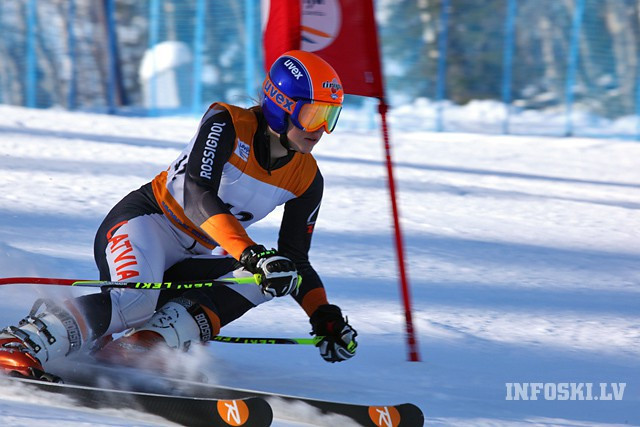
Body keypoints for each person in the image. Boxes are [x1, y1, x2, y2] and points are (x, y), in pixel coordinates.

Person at [0, 50, 357, 380]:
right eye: (314, 115)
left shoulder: (308, 178)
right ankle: (23, 340)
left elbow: (295, 257)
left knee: (273, 274)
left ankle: (144, 344)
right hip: (146, 224)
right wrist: (249, 252)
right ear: (281, 105)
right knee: (137, 300)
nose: (321, 130)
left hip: (193, 256)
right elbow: (197, 196)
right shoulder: (228, 123)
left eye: (330, 117)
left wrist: (322, 314)